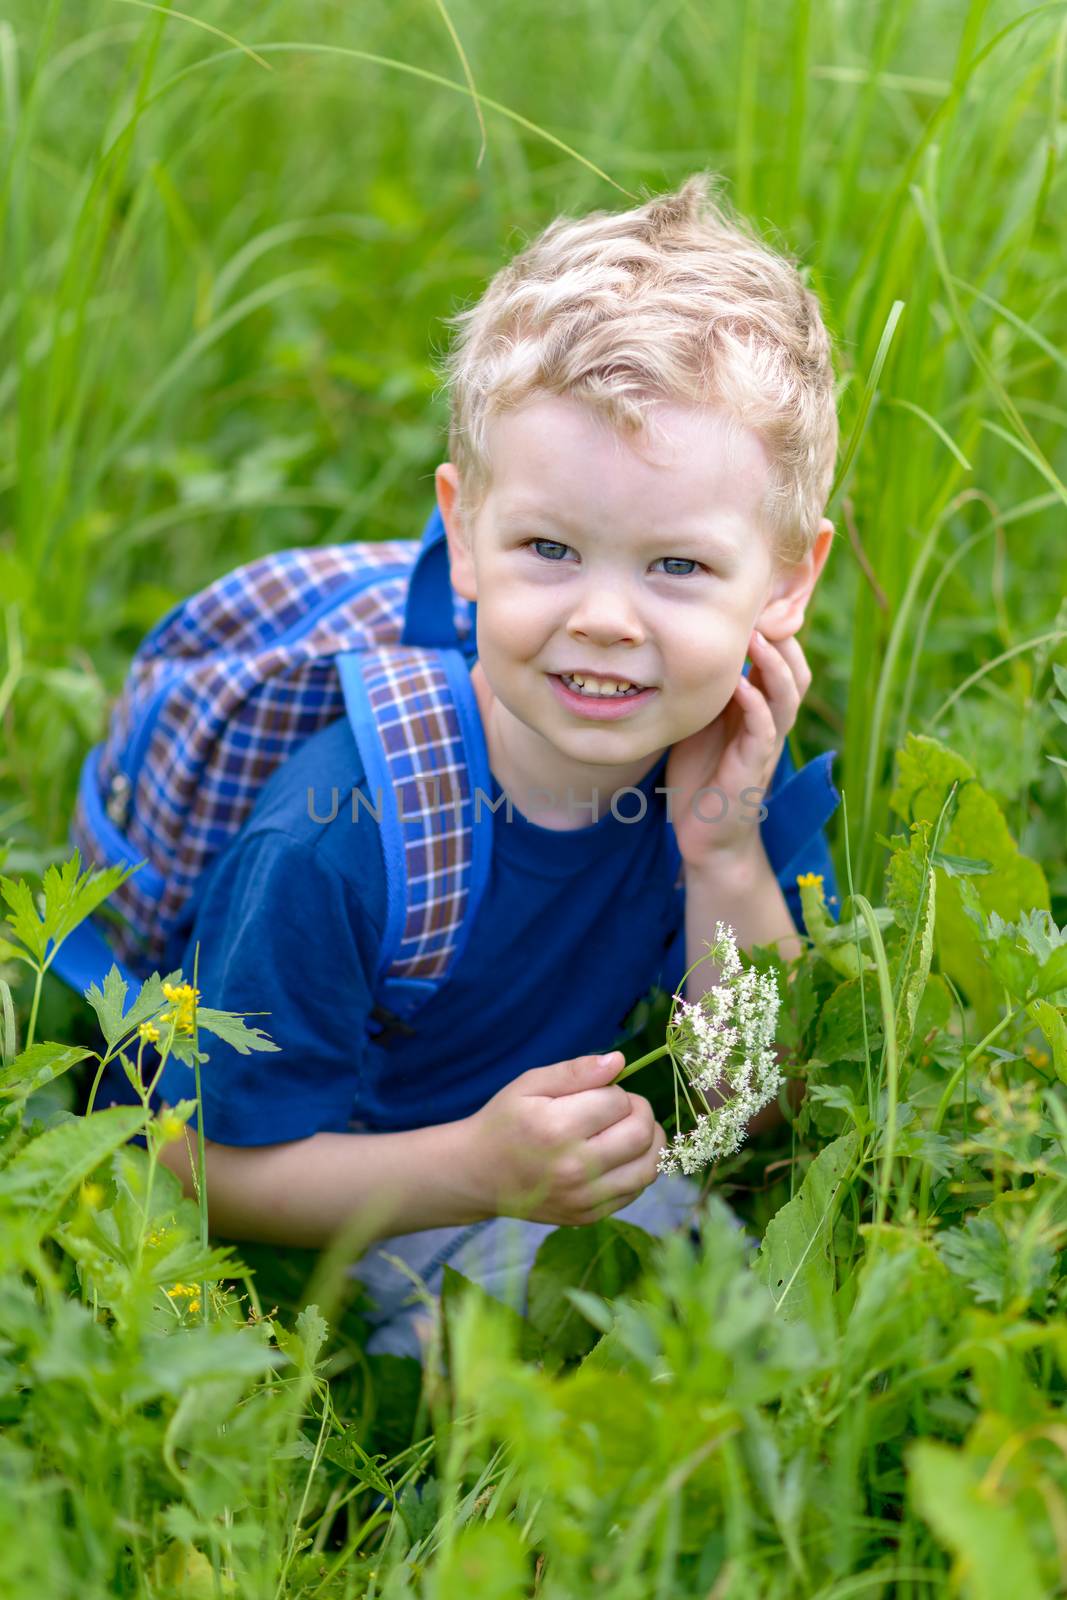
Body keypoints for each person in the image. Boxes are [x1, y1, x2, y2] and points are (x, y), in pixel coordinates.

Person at [156, 171, 839, 1362]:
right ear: (462, 535)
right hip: (364, 1187)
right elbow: (188, 1162)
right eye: (549, 549)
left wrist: (722, 849)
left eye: (676, 566)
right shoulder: (341, 830)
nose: (607, 620)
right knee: (513, 1362)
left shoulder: (732, 762)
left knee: (740, 1290)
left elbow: (753, 1108)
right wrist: (471, 1168)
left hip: (554, 1180)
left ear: (784, 581)